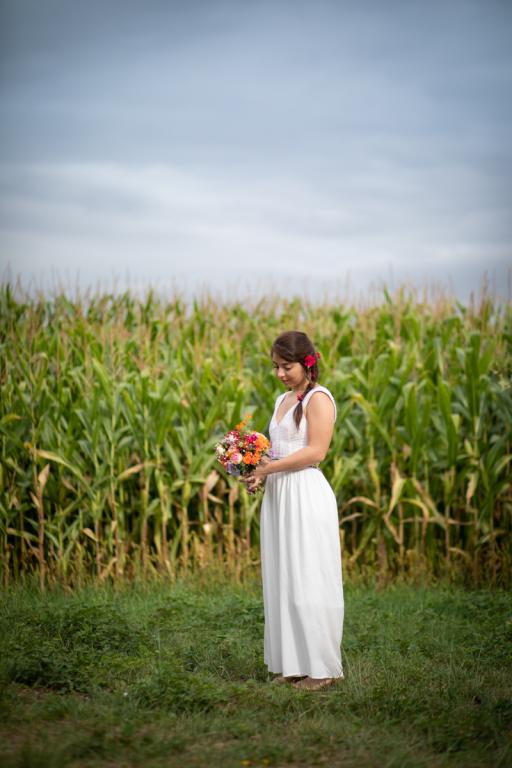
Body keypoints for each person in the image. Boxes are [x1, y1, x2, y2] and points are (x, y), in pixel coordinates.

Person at [244, 331, 344, 691]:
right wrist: (256, 474)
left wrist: (268, 468)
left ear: (307, 363)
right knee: (283, 577)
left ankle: (322, 668)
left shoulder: (319, 399)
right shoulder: (281, 400)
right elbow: (277, 451)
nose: (280, 374)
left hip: (305, 491)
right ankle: (291, 663)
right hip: (280, 495)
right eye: (275, 367)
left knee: (309, 576)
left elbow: (316, 451)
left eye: (286, 366)